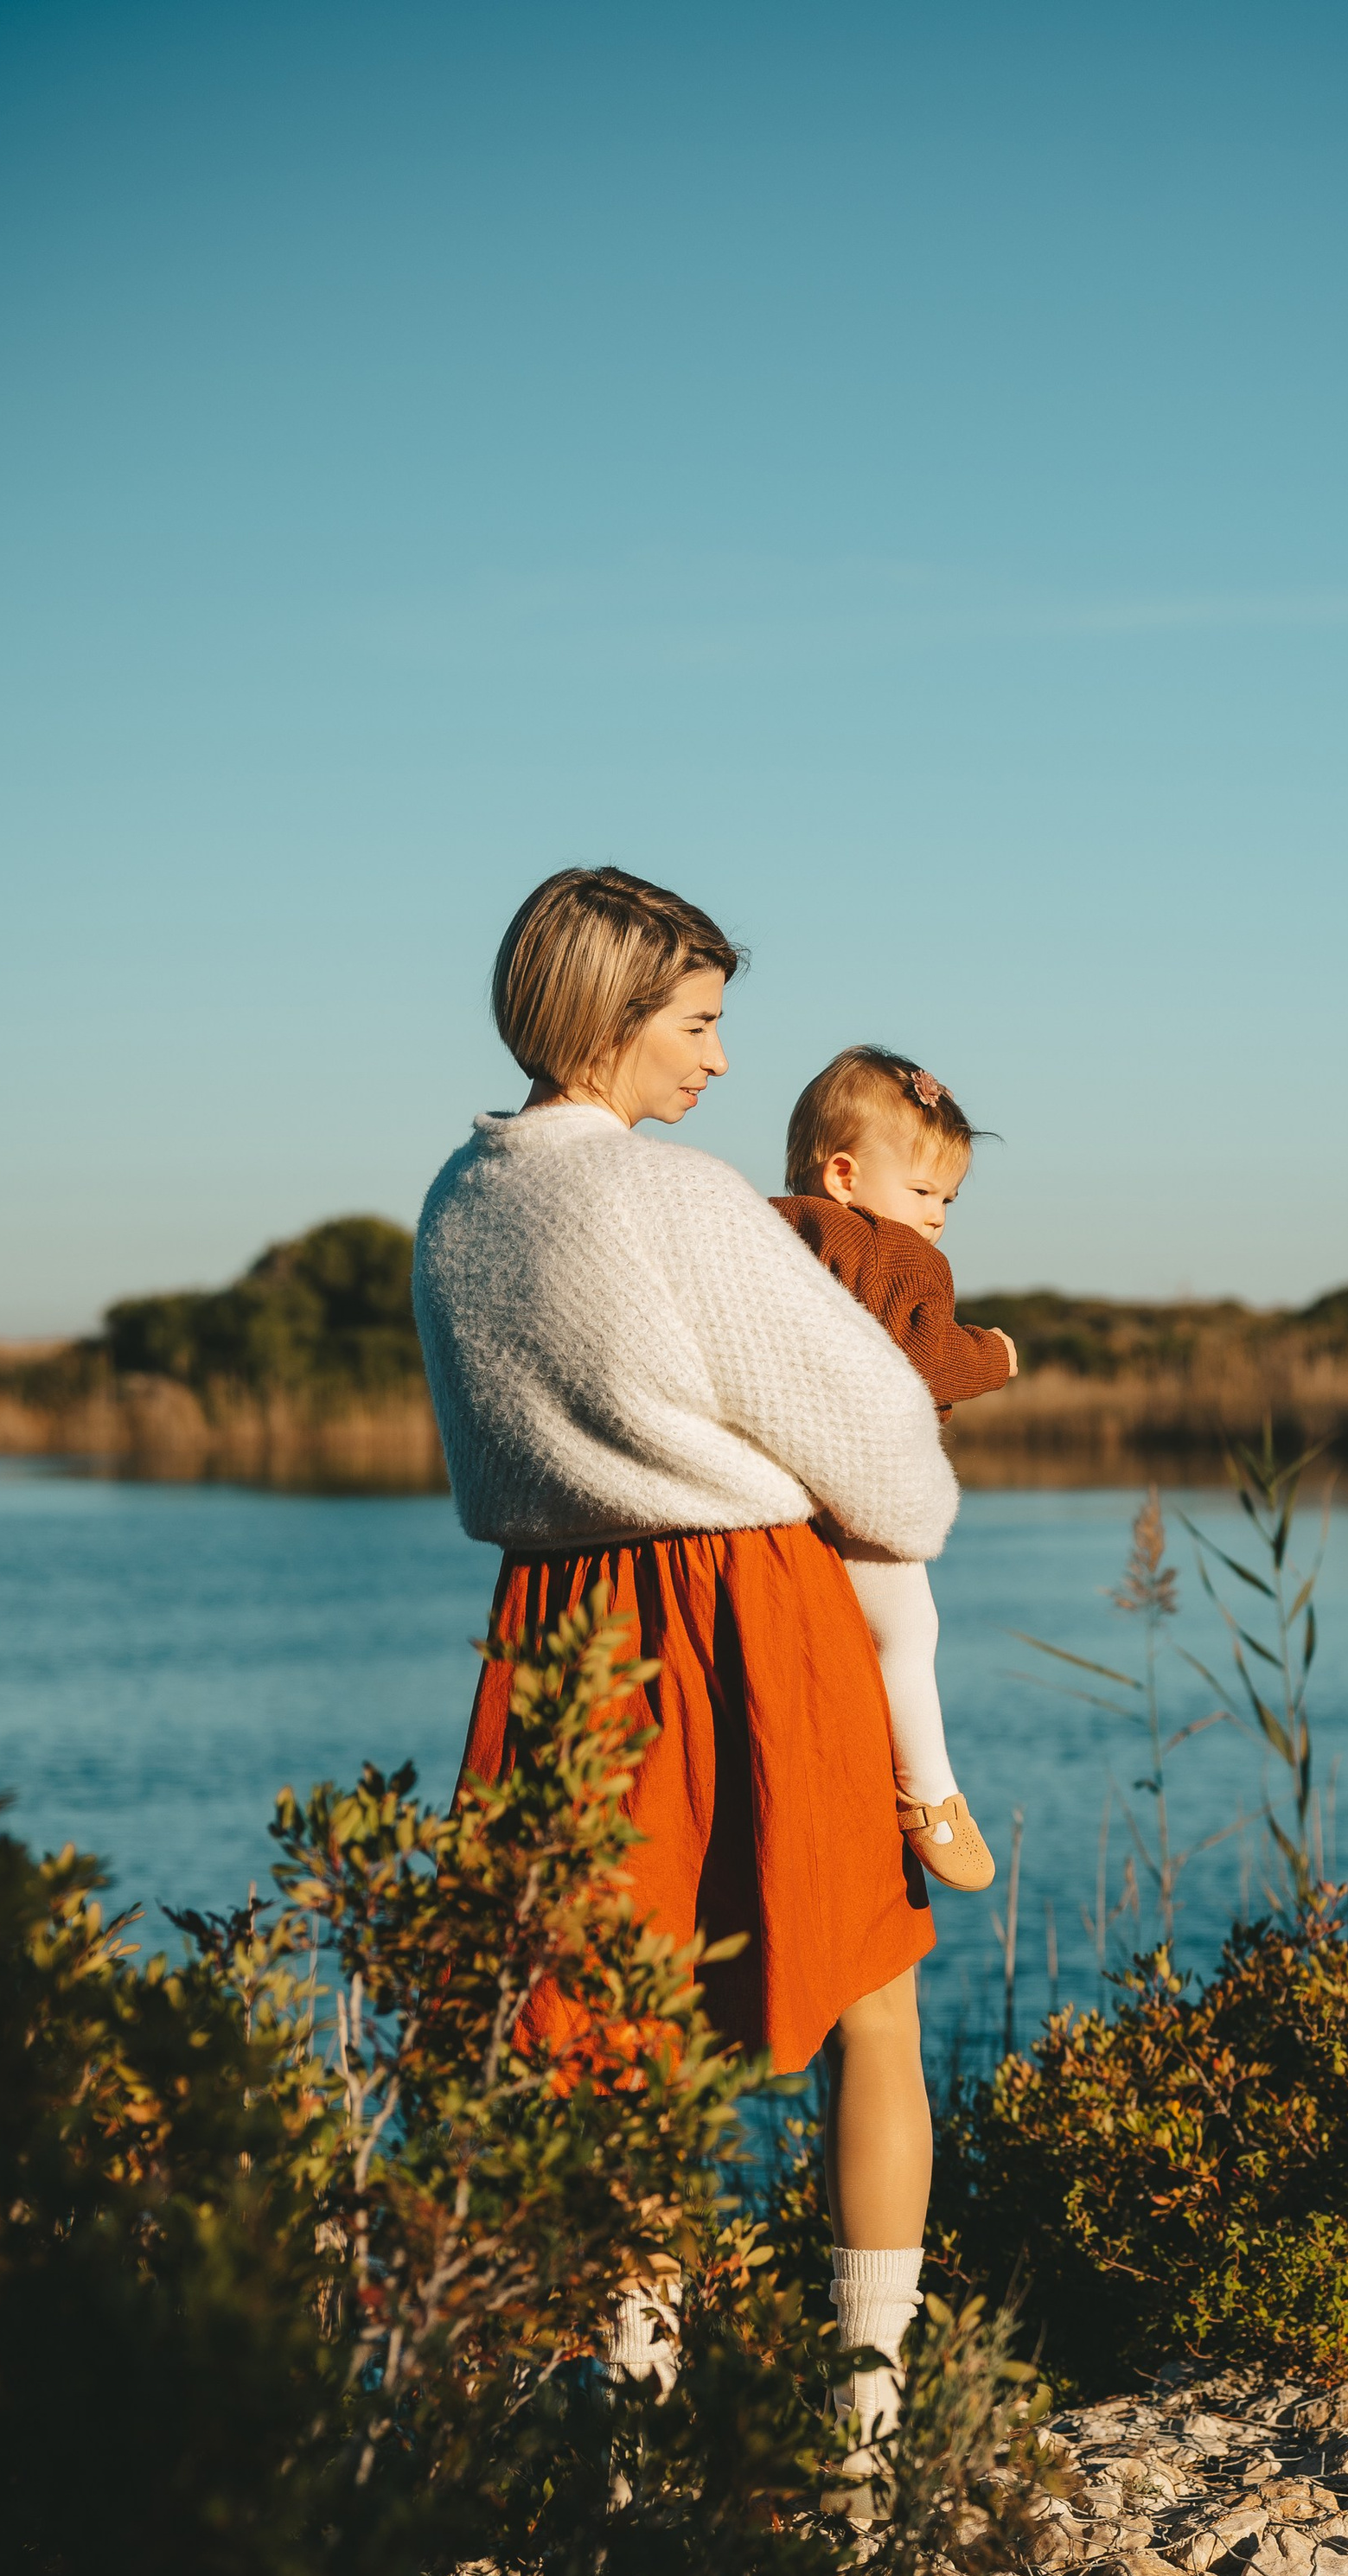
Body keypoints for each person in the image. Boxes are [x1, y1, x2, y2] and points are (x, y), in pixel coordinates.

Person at [412, 864, 949, 2433]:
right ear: (614, 1016)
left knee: (604, 2034)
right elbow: (892, 1461)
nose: (719, 1063)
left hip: (557, 1633)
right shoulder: (676, 1196)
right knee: (872, 1999)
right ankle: (865, 2418)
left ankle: (624, 2425)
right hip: (745, 1608)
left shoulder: (460, 1197)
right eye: (699, 1023)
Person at [771, 1045, 1017, 1897]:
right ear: (844, 1172)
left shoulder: (773, 1227)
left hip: (788, 1490)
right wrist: (992, 1354)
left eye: (947, 1198)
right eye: (923, 1191)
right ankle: (931, 1794)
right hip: (864, 1487)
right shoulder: (895, 1251)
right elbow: (920, 1354)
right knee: (909, 1635)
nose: (937, 1215)